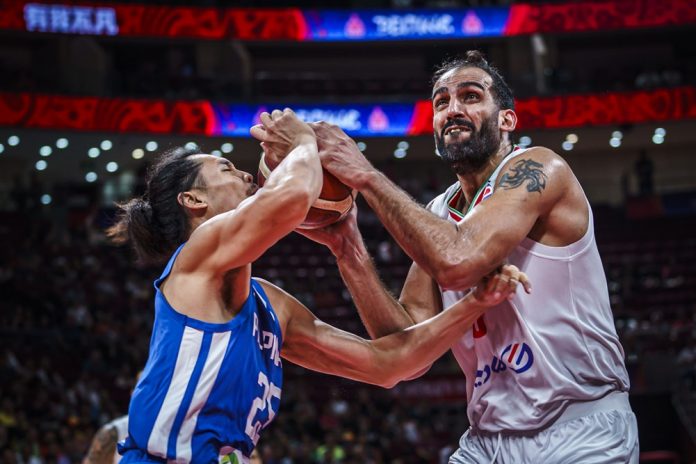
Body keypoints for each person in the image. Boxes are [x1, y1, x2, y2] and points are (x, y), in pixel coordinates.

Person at [106, 108, 529, 464]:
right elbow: (291, 199)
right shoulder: (195, 259)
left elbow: (389, 365)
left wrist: (475, 303)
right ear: (193, 201)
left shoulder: (269, 305)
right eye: (226, 168)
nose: (244, 173)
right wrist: (303, 142)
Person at [303, 51, 638, 463]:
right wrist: (348, 247)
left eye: (470, 96)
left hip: (578, 428)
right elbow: (406, 351)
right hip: (487, 440)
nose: (453, 109)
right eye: (441, 102)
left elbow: (459, 262)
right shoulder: (438, 214)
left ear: (507, 120)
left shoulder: (539, 168)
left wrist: (368, 176)